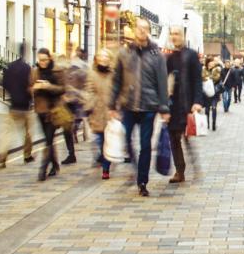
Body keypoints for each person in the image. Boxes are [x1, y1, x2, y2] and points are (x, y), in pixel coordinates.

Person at [109, 17, 170, 197]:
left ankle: (142, 181)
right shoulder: (124, 53)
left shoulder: (156, 55)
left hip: (148, 107)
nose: (141, 31)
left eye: (145, 29)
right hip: (128, 105)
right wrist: (112, 104)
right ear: (134, 31)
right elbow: (116, 81)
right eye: (139, 28)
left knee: (145, 145)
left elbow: (162, 83)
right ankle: (134, 167)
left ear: (148, 31)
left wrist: (164, 108)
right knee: (125, 141)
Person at [166, 26, 204, 184]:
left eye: (177, 34)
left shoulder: (191, 55)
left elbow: (197, 80)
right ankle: (179, 171)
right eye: (172, 34)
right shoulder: (168, 57)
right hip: (172, 105)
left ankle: (195, 167)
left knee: (187, 137)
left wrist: (197, 101)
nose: (174, 37)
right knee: (174, 139)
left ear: (183, 36)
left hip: (186, 103)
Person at [0, 42, 35, 168]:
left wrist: (12, 94)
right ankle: (27, 155)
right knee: (27, 133)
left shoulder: (10, 67)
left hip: (13, 106)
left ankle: (2, 157)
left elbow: (4, 83)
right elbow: (31, 86)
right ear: (26, 52)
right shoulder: (27, 68)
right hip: (25, 106)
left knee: (7, 133)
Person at [32, 48, 66, 181]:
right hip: (40, 110)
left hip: (53, 111)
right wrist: (34, 88)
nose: (42, 62)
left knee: (48, 140)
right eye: (40, 60)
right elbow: (29, 88)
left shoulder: (57, 71)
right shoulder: (35, 72)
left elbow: (62, 89)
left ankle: (43, 169)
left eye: (45, 60)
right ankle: (55, 165)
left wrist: (48, 86)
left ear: (50, 59)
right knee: (48, 140)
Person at [85, 48, 115, 180]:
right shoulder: (91, 74)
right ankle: (102, 159)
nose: (103, 59)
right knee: (98, 140)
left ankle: (106, 169)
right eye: (100, 57)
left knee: (107, 141)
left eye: (106, 57)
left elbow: (118, 92)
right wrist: (89, 105)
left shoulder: (114, 74)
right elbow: (89, 91)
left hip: (110, 112)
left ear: (109, 59)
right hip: (97, 112)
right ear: (96, 59)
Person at [60, 49, 89, 164]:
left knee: (82, 125)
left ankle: (101, 154)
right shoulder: (64, 71)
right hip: (68, 103)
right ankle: (71, 154)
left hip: (78, 103)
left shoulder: (81, 70)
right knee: (68, 129)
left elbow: (87, 85)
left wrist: (78, 95)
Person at [202, 57, 222, 131]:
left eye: (212, 62)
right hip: (206, 92)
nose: (211, 64)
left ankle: (213, 124)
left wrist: (210, 77)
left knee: (214, 108)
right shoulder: (204, 69)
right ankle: (207, 124)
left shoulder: (217, 69)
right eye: (210, 62)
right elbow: (202, 77)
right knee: (207, 109)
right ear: (207, 63)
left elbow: (218, 78)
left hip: (214, 92)